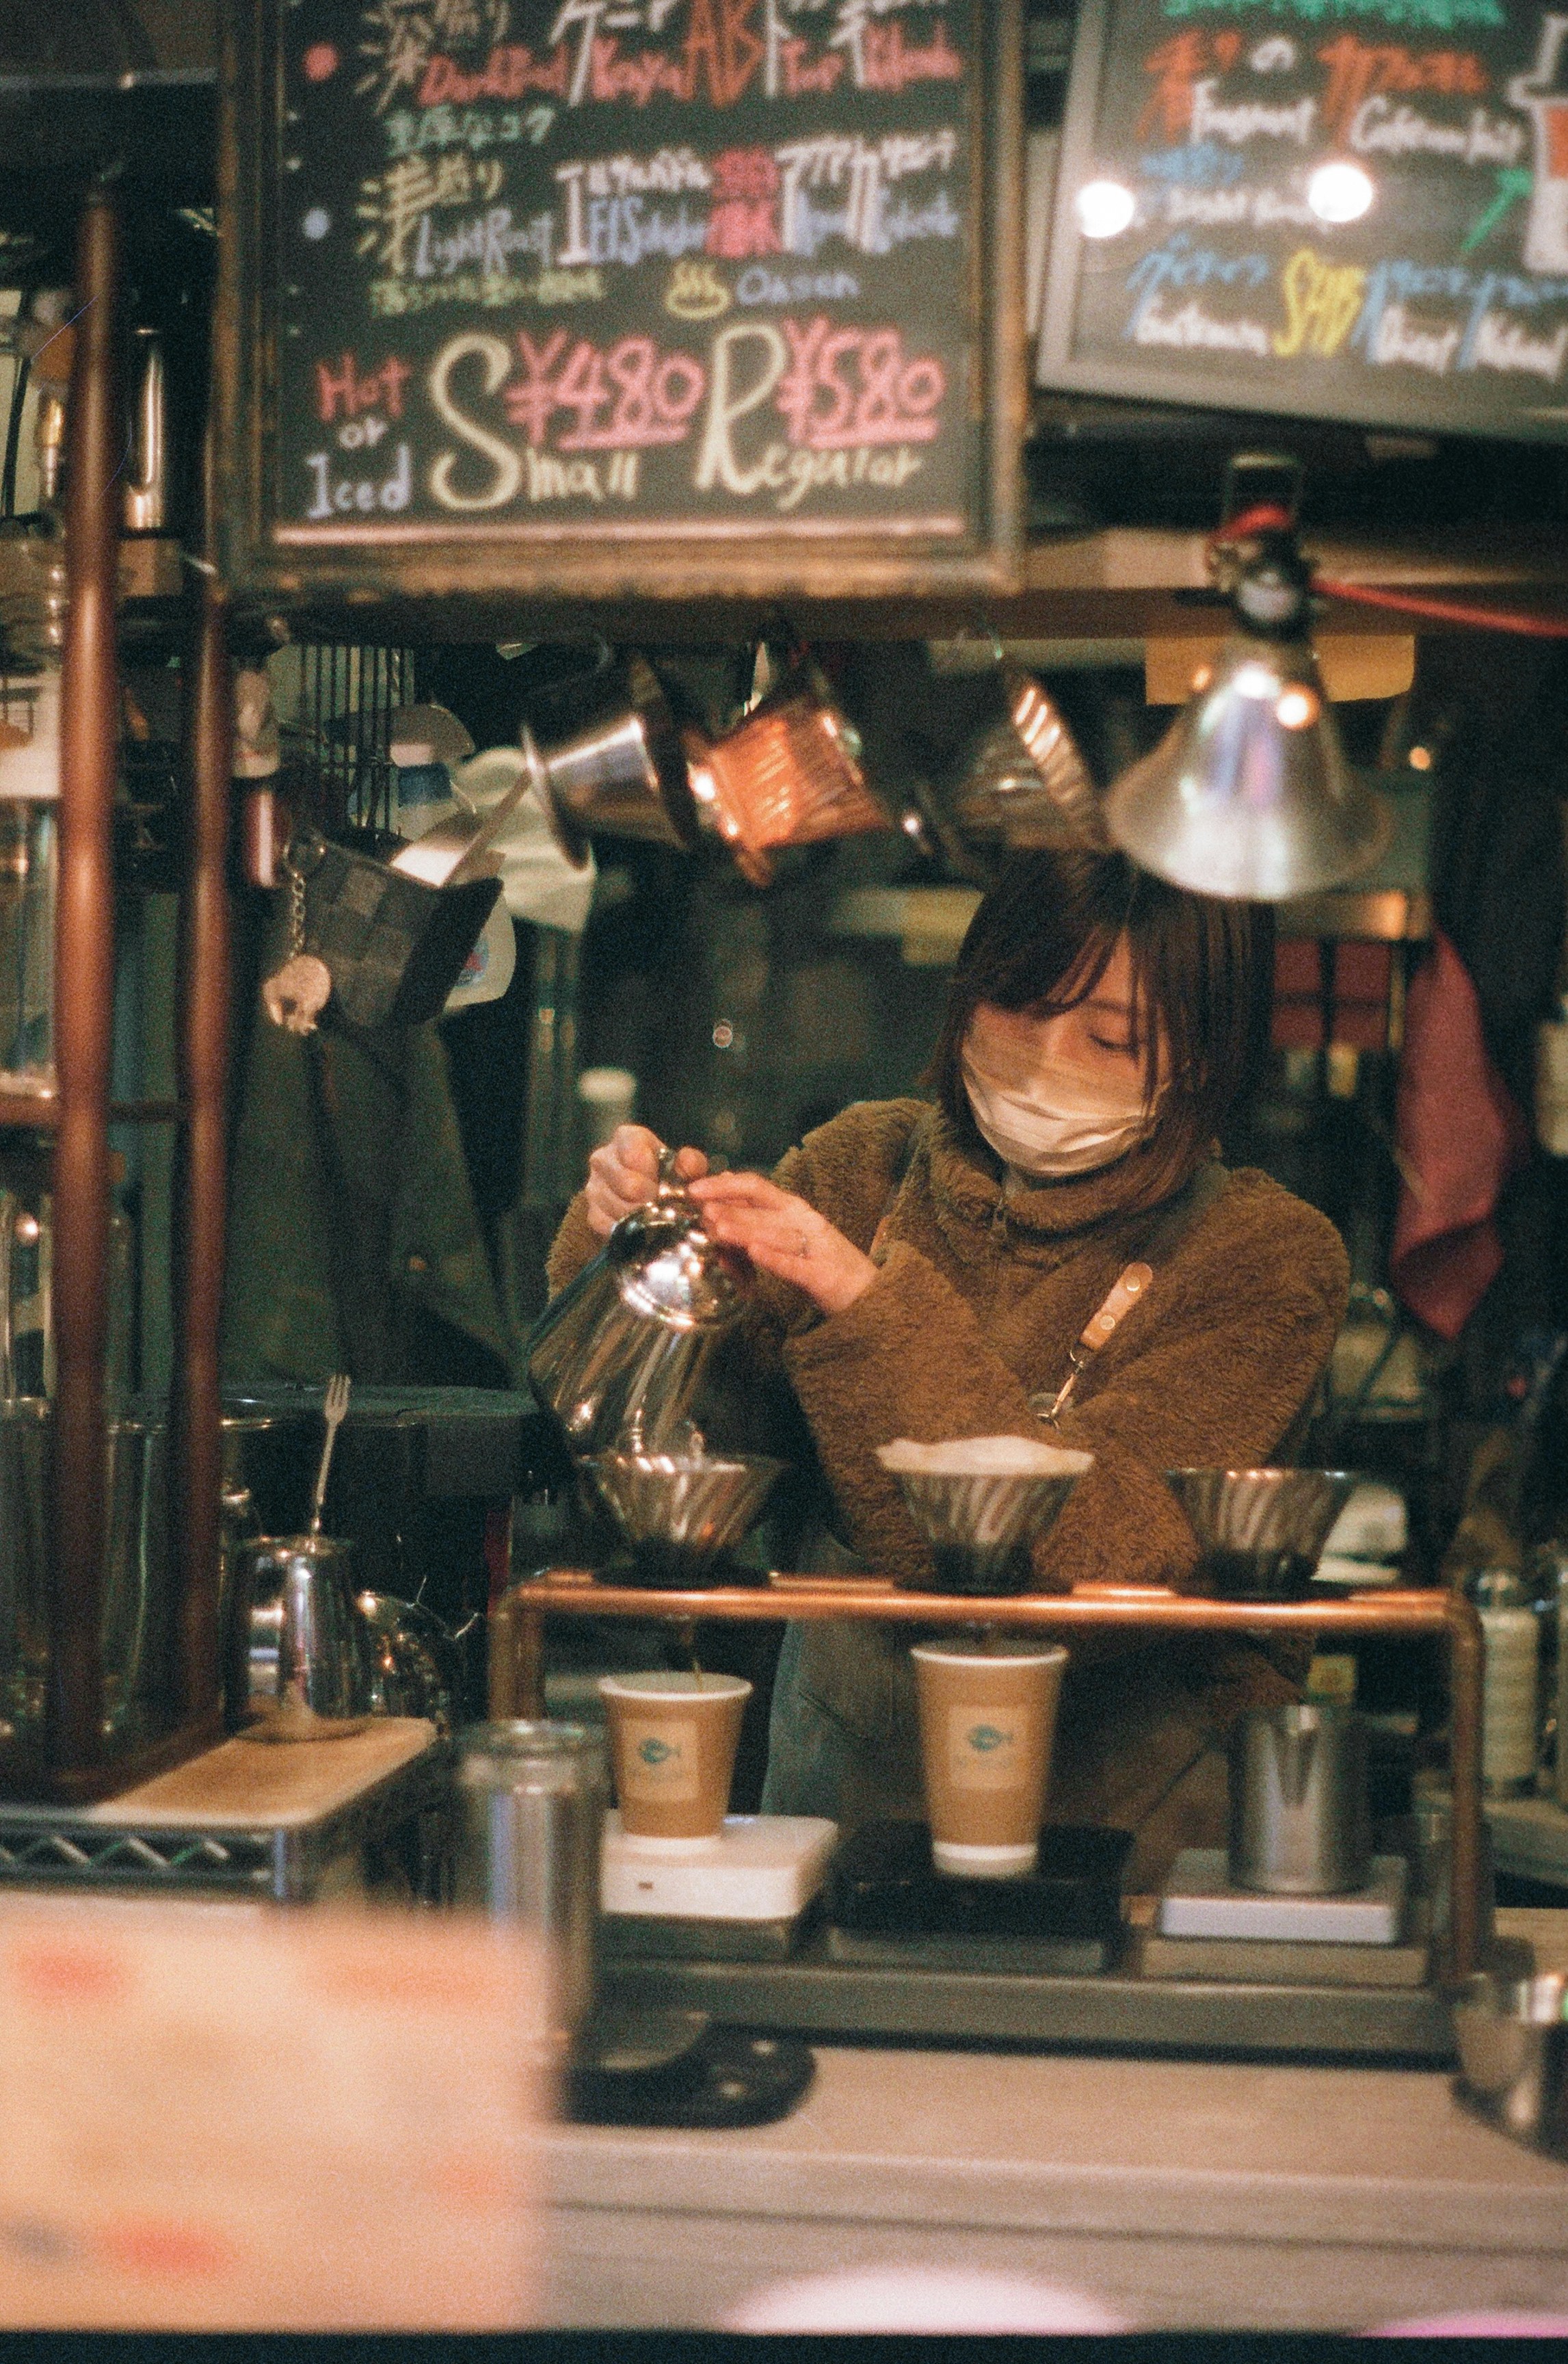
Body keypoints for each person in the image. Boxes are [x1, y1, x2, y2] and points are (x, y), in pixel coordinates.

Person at [546, 850, 1349, 1882]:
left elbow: (1101, 1554)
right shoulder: (861, 1170)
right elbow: (682, 1441)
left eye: (1112, 1037)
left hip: (1132, 1853)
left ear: (1201, 1058)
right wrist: (634, 1248)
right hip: (834, 1822)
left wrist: (864, 1303)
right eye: (1016, 1005)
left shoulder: (1263, 1256)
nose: (1045, 1056)